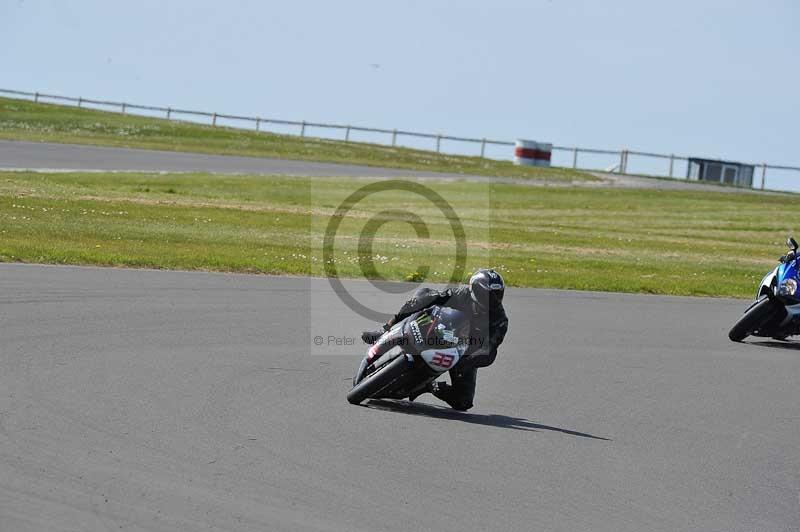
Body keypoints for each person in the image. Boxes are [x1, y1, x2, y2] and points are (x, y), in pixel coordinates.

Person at [361, 269, 509, 411]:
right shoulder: (461, 294)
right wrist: (424, 299)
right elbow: (434, 296)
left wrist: (468, 361)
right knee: (422, 297)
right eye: (488, 294)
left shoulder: (499, 320)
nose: (493, 299)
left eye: (497, 294)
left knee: (463, 401)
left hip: (463, 353)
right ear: (475, 290)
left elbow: (489, 350)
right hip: (440, 329)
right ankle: (384, 331)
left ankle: (429, 386)